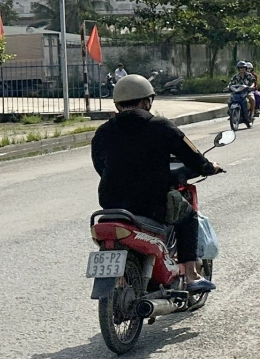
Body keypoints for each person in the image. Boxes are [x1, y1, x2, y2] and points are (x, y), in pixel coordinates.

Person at [91, 74, 221, 292]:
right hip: (151, 204)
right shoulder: (161, 126)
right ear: (146, 101)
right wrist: (209, 167)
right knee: (188, 216)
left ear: (117, 104)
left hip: (111, 204)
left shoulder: (103, 131)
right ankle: (192, 275)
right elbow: (192, 157)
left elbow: (100, 166)